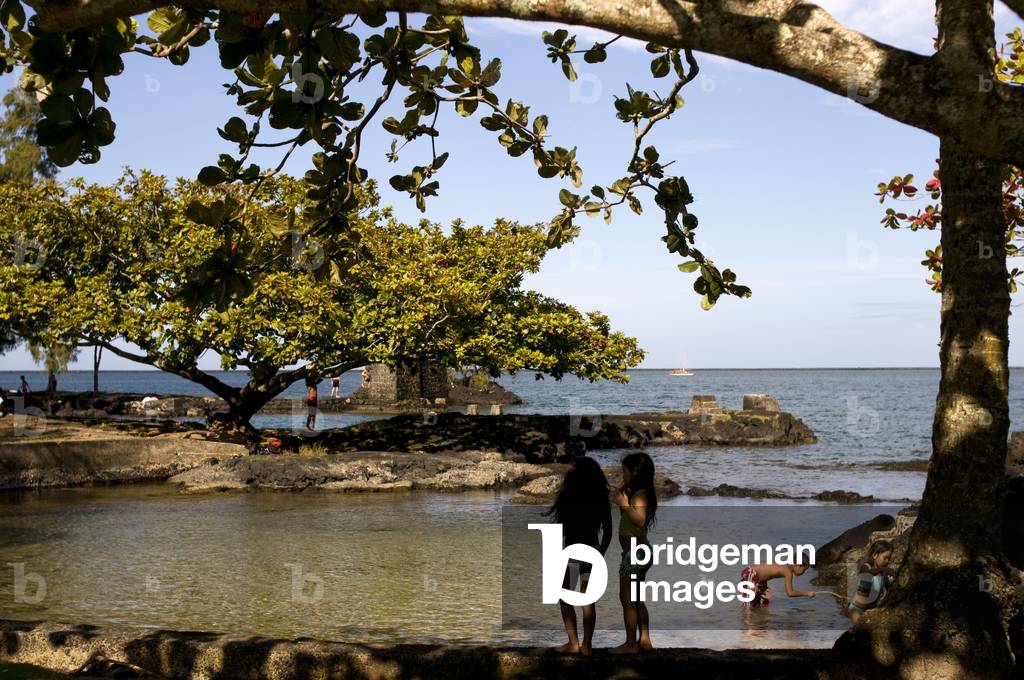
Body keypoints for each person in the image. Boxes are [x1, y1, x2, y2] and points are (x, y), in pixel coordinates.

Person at [544, 456, 613, 656]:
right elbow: (608, 531)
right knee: (587, 600)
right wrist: (602, 554)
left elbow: (560, 530)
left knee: (564, 597)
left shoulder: (569, 496)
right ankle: (587, 646)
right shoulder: (601, 498)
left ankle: (573, 643)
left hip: (574, 552)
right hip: (592, 549)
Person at [610, 452, 658, 654]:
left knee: (627, 598)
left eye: (625, 472)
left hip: (635, 553)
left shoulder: (640, 495)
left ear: (635, 472)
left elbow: (639, 519)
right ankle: (644, 640)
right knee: (636, 598)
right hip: (639, 552)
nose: (623, 475)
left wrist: (623, 505)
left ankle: (630, 644)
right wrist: (623, 497)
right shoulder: (638, 493)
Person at [848, 539, 894, 623]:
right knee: (860, 631)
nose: (888, 561)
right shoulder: (866, 567)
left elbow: (890, 590)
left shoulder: (883, 574)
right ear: (875, 555)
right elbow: (868, 574)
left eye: (889, 558)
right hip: (857, 609)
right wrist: (884, 569)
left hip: (871, 609)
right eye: (885, 558)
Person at [739, 562, 816, 608]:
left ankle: (760, 626)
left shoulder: (786, 566)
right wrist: (807, 593)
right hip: (751, 573)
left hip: (760, 579)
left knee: (763, 603)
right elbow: (790, 593)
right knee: (749, 605)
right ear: (798, 565)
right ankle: (746, 628)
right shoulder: (787, 571)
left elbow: (768, 569)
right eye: (804, 570)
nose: (803, 573)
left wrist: (764, 586)